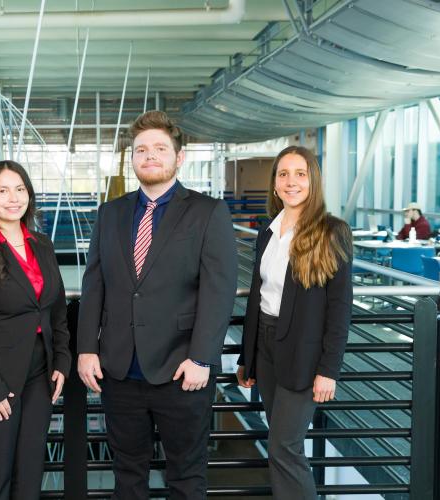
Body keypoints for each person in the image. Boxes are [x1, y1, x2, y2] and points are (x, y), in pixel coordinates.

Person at [77, 110, 239, 499]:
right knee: (127, 477)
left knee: (186, 478)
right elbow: (94, 284)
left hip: (182, 370)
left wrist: (202, 358)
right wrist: (86, 348)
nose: (150, 156)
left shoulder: (207, 212)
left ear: (178, 158)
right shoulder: (110, 213)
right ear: (132, 158)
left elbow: (220, 290)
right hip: (119, 371)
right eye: (141, 149)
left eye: (160, 149)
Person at [237, 146, 353, 500]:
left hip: (304, 354)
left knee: (284, 448)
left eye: (300, 173)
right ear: (274, 184)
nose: (291, 182)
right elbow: (259, 298)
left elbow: (340, 308)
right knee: (280, 443)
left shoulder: (332, 231)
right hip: (267, 347)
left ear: (313, 181)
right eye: (283, 174)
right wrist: (247, 357)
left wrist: (328, 370)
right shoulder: (268, 233)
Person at [0, 160, 71, 500]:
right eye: (2, 190)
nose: (13, 198)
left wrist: (62, 362)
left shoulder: (42, 244)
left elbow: (56, 311)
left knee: (29, 475)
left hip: (40, 375)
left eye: (20, 189)